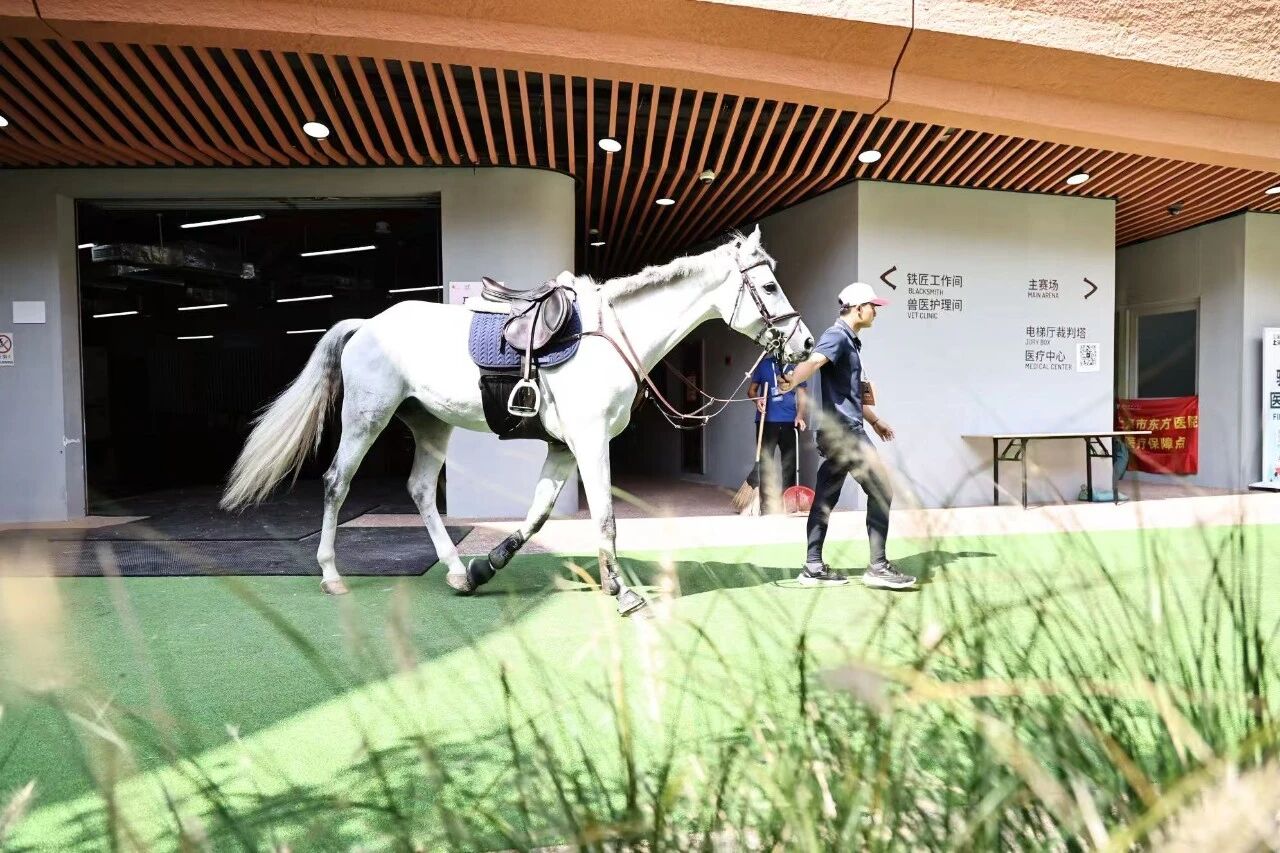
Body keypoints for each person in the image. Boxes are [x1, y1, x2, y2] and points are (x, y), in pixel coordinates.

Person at [778, 281, 916, 589]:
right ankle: (878, 567)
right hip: (845, 433)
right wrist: (791, 381)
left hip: (837, 431)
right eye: (873, 307)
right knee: (881, 490)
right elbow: (814, 361)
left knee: (825, 497)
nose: (876, 312)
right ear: (858, 308)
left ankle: (813, 567)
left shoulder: (849, 340)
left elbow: (847, 394)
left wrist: (875, 421)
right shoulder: (837, 336)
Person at [746, 355, 807, 511]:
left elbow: (802, 395)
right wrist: (757, 400)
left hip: (790, 422)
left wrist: (800, 416)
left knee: (790, 465)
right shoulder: (764, 365)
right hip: (766, 422)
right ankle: (766, 506)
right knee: (766, 465)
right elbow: (751, 391)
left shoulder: (797, 366)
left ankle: (789, 504)